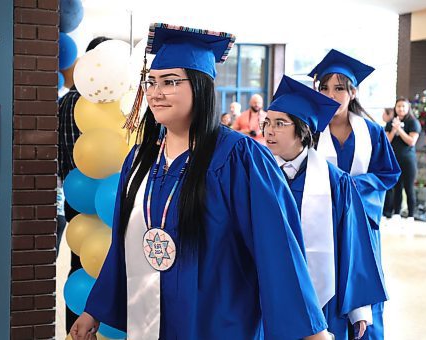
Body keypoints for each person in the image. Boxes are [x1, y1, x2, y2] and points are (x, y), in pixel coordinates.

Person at [70, 23, 332, 340]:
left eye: (169, 82)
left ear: (200, 86)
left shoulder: (239, 158)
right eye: (150, 82)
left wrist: (310, 331)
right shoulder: (140, 159)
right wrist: (93, 309)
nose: (155, 92)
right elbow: (124, 242)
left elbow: (276, 247)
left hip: (218, 319)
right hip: (151, 316)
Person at [263, 75, 388, 340]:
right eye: (267, 123)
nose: (268, 131)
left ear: (303, 130)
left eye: (279, 124)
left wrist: (358, 307)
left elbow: (353, 245)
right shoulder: (258, 175)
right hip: (270, 293)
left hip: (323, 296)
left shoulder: (335, 182)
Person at [308, 49, 401, 340]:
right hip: (320, 224)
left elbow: (388, 174)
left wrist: (351, 187)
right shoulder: (310, 131)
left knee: (364, 290)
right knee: (325, 289)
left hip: (361, 224)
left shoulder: (372, 132)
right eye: (324, 87)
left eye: (339, 88)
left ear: (353, 92)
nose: (331, 94)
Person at [58, 35, 111, 332]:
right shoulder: (99, 105)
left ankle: (74, 329)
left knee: (79, 265)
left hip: (74, 195)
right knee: (104, 268)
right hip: (105, 199)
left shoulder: (65, 102)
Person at [385, 98, 421, 220]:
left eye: (403, 106)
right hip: (394, 159)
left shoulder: (413, 122)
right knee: (396, 187)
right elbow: (386, 141)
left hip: (408, 159)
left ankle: (411, 214)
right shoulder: (391, 123)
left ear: (408, 108)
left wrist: (399, 130)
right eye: (398, 106)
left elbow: (411, 141)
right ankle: (396, 213)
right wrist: (394, 129)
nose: (400, 109)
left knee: (409, 187)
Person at [381, 108, 395, 218]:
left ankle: (388, 212)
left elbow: (387, 140)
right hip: (386, 158)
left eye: (383, 113)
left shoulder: (392, 125)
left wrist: (395, 130)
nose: (382, 116)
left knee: (390, 187)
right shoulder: (388, 125)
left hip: (391, 159)